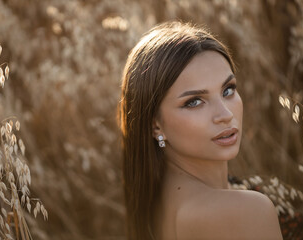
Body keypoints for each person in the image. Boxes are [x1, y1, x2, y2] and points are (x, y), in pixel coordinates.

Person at [118, 21, 283, 240]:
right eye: (194, 102)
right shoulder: (246, 211)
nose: (225, 114)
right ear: (155, 124)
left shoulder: (153, 199)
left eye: (228, 90)